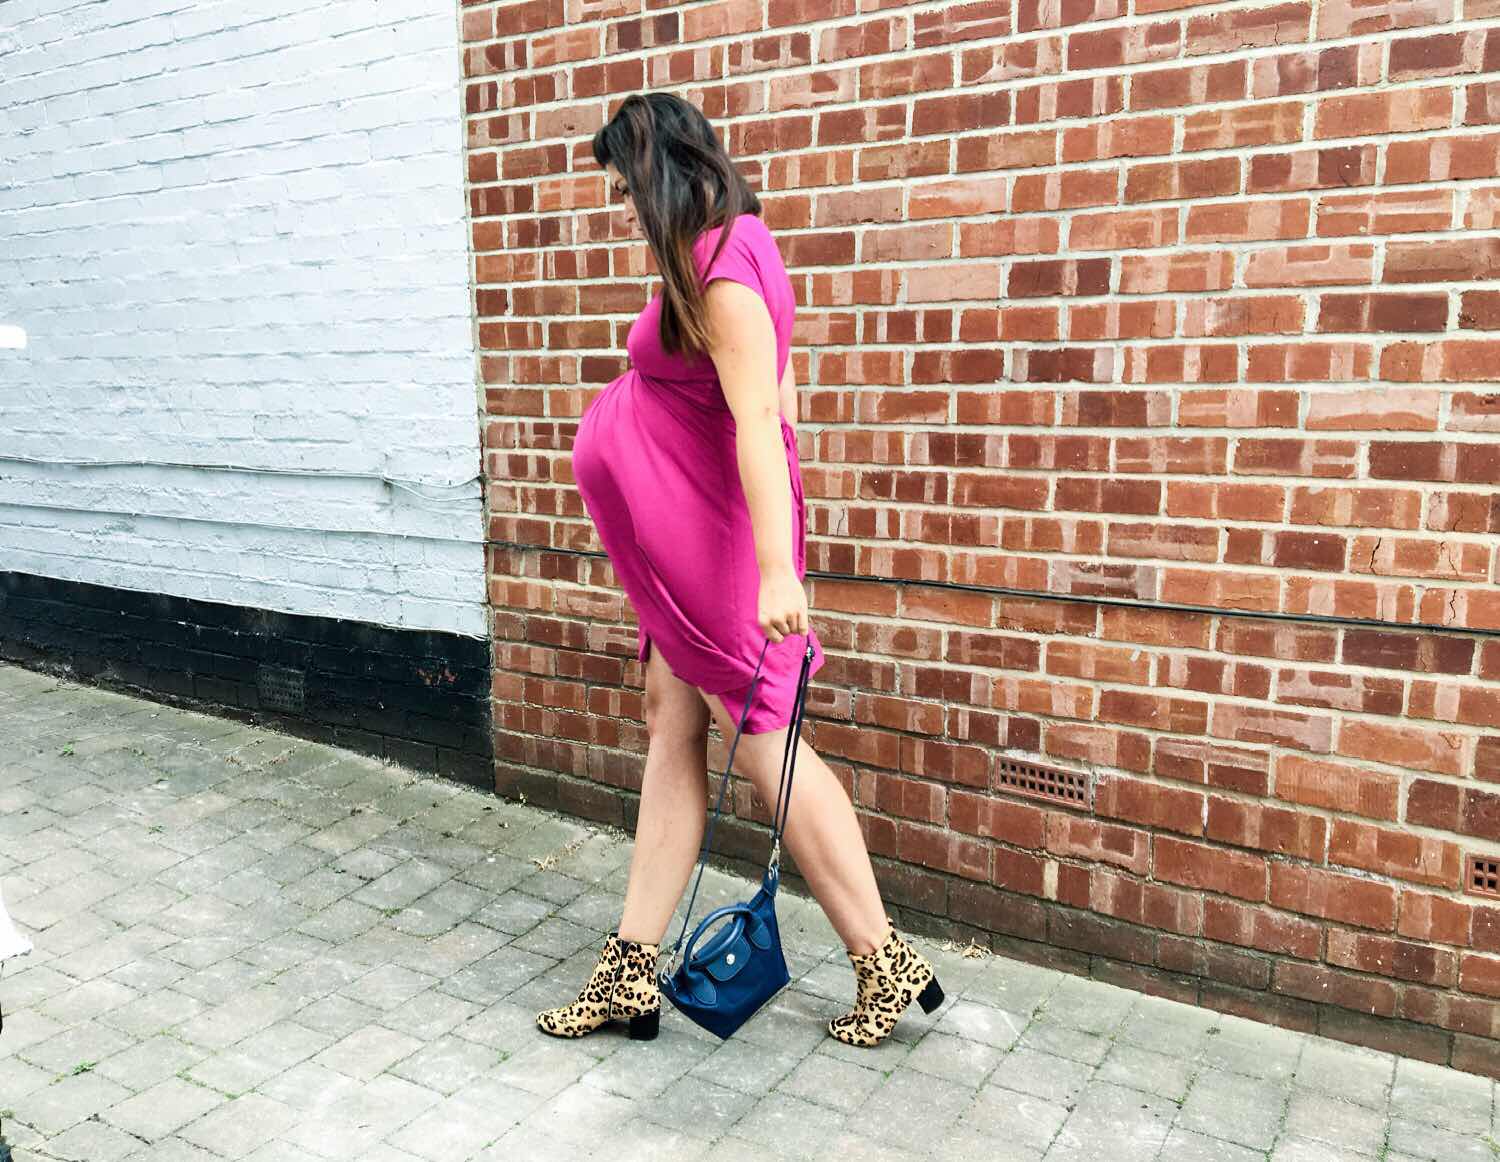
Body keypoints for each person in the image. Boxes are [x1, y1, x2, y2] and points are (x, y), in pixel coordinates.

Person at [534, 93, 943, 1049]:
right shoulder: (723, 249)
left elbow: (765, 419)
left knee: (766, 747)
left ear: (658, 173)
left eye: (623, 190)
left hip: (716, 553)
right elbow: (772, 401)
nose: (620, 210)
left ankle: (884, 962)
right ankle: (632, 969)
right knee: (671, 720)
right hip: (688, 549)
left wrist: (773, 568)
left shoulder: (721, 268)